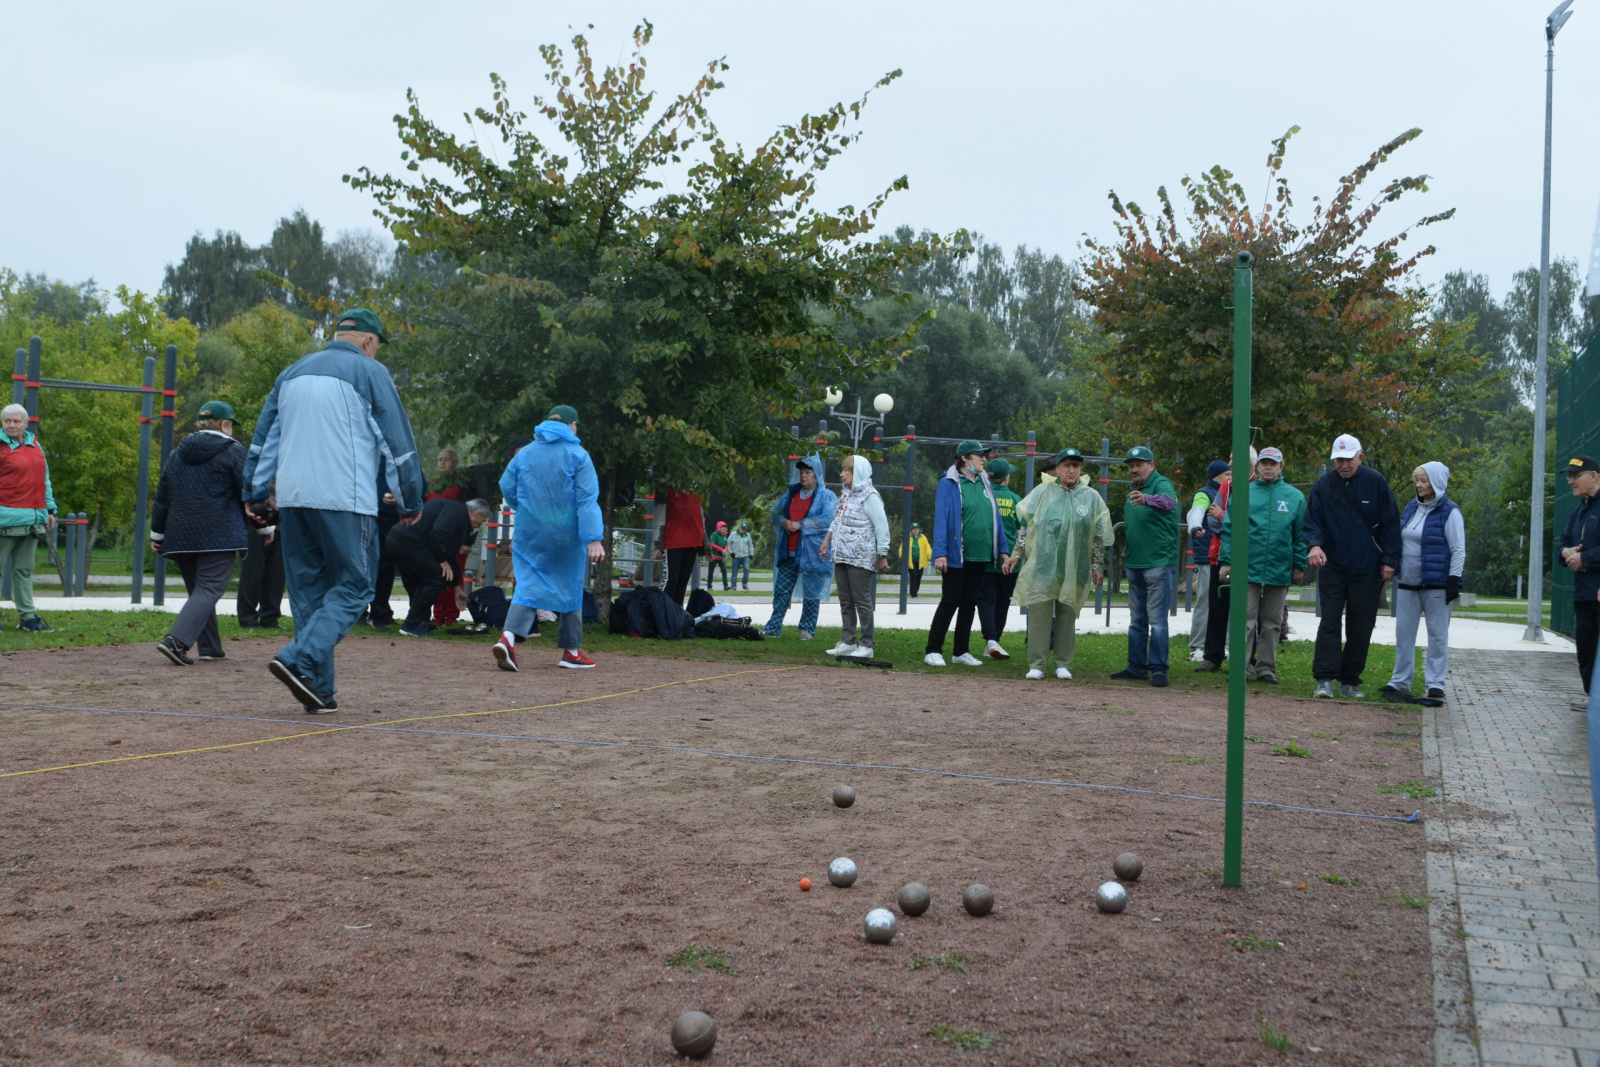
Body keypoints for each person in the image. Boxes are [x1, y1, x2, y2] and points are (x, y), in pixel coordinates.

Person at [243, 308, 425, 714]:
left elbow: (264, 437)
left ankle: (318, 689)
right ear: (366, 341)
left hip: (293, 498)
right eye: (376, 346)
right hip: (346, 497)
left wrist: (255, 492)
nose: (375, 353)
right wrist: (410, 500)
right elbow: (398, 444)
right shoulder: (370, 372)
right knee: (356, 587)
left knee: (310, 594)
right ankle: (296, 659)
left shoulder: (291, 372)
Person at [494, 405, 604, 670]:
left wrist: (525, 509)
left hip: (529, 529)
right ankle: (571, 651)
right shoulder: (578, 454)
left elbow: (506, 486)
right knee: (570, 584)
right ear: (572, 425)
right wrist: (593, 538)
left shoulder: (526, 452)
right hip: (565, 531)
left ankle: (508, 637)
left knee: (529, 583)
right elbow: (587, 500)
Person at [1303, 434, 1402, 700]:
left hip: (1367, 567)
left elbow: (1391, 523)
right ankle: (1324, 679)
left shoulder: (1377, 483)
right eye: (1338, 460)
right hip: (1333, 566)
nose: (1343, 465)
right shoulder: (1324, 485)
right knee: (1329, 621)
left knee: (1361, 625)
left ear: (1360, 456)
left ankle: (1350, 681)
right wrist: (1314, 545)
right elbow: (1312, 521)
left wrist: (1390, 561)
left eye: (1348, 459)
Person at [150, 401, 250, 664]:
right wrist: (265, 524)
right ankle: (176, 641)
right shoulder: (233, 450)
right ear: (225, 424)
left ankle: (210, 648)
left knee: (200, 591)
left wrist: (157, 534)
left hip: (180, 534)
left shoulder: (176, 454)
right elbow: (249, 491)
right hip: (219, 533)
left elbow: (162, 498)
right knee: (209, 589)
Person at [1012, 448, 1114, 679]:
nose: (1071, 470)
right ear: (1057, 468)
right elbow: (1025, 525)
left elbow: (1098, 534)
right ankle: (1037, 663)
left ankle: (1063, 663)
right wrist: (1017, 552)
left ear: (1081, 470)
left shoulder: (1091, 497)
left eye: (1076, 466)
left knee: (1068, 613)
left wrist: (1097, 565)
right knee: (1040, 612)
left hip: (1075, 566)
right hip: (1044, 565)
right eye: (1066, 465)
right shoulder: (1043, 492)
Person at [1217, 447, 1306, 685]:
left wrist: (1299, 565)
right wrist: (1227, 562)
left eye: (1273, 463)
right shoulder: (1243, 493)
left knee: (1272, 623)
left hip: (1280, 567)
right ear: (1257, 466)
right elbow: (1229, 530)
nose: (1268, 467)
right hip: (1247, 567)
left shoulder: (1295, 497)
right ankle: (1240, 667)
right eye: (1264, 463)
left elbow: (1299, 536)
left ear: (1281, 467)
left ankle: (1266, 668)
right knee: (1243, 621)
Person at [924, 440, 1011, 667]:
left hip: (981, 555)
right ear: (965, 458)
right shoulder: (949, 482)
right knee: (950, 600)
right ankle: (933, 649)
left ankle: (960, 651)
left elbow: (995, 518)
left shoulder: (985, 482)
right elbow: (942, 519)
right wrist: (940, 553)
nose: (984, 459)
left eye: (984, 456)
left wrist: (1002, 549)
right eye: (979, 455)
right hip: (956, 555)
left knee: (969, 602)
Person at [1384, 462, 1464, 702]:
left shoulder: (1450, 512)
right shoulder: (1410, 508)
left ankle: (1436, 683)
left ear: (1437, 482)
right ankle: (1399, 681)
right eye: (1417, 480)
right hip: (1407, 583)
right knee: (1404, 635)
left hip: (1437, 585)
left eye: (1424, 481)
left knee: (1438, 636)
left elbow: (1458, 549)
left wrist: (1453, 580)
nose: (1419, 485)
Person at [1111, 446, 1180, 687]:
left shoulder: (1161, 485)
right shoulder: (1133, 492)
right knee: (1136, 619)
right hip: (1135, 562)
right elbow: (1137, 525)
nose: (1134, 469)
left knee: (1157, 621)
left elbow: (1169, 503)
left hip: (1158, 563)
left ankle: (1159, 668)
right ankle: (1136, 667)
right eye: (1131, 465)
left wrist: (1147, 499)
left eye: (1139, 464)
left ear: (1152, 465)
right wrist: (1129, 545)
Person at [389, 497, 489, 636]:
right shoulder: (458, 512)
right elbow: (439, 533)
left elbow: (450, 554)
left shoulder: (455, 510)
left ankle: (416, 622)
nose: (480, 525)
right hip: (409, 542)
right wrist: (441, 560)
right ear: (477, 514)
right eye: (482, 521)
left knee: (422, 581)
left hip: (396, 538)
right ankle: (411, 624)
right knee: (438, 579)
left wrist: (456, 588)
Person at [822, 455, 890, 659]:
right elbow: (837, 521)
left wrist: (882, 553)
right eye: (842, 470)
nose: (842, 474)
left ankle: (867, 645)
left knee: (862, 600)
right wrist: (827, 540)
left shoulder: (870, 496)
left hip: (860, 557)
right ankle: (848, 641)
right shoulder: (846, 495)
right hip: (841, 555)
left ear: (857, 472)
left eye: (846, 470)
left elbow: (881, 525)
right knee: (845, 600)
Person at [763, 454, 836, 639]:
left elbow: (829, 519)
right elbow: (775, 513)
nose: (804, 476)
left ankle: (807, 630)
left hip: (812, 555)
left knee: (811, 595)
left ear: (816, 474)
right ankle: (773, 628)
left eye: (808, 472)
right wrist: (783, 521)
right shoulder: (790, 494)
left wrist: (801, 524)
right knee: (781, 591)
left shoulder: (826, 496)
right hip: (789, 552)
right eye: (802, 472)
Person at [0, 403, 56, 633]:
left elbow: (45, 481)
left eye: (16, 421)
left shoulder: (36, 446)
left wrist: (50, 510)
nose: (12, 425)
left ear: (26, 423)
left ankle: (28, 618)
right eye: (7, 421)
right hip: (4, 519)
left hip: (33, 520)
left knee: (24, 570)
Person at [1559, 455, 1600, 710]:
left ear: (1594, 476)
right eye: (1569, 476)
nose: (1570, 481)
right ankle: (1593, 698)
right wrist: (1567, 553)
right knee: (1586, 649)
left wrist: (1586, 559)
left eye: (1576, 476)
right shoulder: (1579, 511)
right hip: (1583, 594)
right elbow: (1562, 543)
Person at [976, 457, 1024, 659]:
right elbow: (1024, 530)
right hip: (1010, 560)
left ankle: (991, 640)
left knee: (986, 600)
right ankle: (995, 641)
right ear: (1006, 478)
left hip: (985, 559)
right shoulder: (1016, 500)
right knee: (1003, 600)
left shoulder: (982, 495)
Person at [1185, 460, 1230, 660]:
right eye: (1227, 474)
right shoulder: (1205, 494)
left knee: (1227, 602)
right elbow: (1197, 510)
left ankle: (1225, 645)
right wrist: (1195, 526)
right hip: (1208, 558)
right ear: (1215, 476)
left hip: (1227, 556)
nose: (1231, 477)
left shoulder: (1230, 491)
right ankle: (1197, 646)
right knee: (1205, 601)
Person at [236, 492, 284, 629]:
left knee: (277, 571)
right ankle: (247, 618)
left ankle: (270, 618)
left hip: (281, 517)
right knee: (253, 569)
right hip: (258, 517)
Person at [364, 482, 401, 630]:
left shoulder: (405, 460)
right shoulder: (374, 461)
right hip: (375, 515)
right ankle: (374, 613)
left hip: (397, 516)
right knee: (377, 565)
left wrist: (401, 499)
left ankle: (382, 612)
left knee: (387, 567)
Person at [662, 485, 704, 607]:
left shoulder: (697, 491)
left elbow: (700, 518)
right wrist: (657, 543)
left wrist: (705, 545)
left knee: (683, 582)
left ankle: (677, 614)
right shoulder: (669, 488)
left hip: (692, 542)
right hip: (673, 541)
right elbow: (659, 516)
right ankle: (661, 612)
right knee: (671, 580)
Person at [726, 522, 754, 590]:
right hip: (736, 556)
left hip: (745, 556)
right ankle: (733, 586)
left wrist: (751, 554)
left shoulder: (748, 535)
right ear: (739, 528)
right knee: (734, 572)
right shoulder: (733, 535)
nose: (743, 530)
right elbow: (728, 544)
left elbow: (750, 545)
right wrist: (731, 552)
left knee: (747, 569)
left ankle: (744, 584)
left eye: (745, 529)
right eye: (742, 528)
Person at [906, 522, 931, 597]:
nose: (915, 531)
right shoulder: (908, 537)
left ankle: (914, 591)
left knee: (918, 577)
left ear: (919, 530)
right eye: (913, 529)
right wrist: (902, 556)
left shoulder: (923, 537)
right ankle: (913, 594)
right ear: (911, 530)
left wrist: (930, 557)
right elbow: (902, 547)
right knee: (913, 576)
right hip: (911, 561)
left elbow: (928, 548)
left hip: (921, 561)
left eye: (916, 529)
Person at [706, 520, 731, 589]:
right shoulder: (714, 534)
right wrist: (721, 549)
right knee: (711, 572)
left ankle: (725, 585)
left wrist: (725, 550)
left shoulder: (725, 535)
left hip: (721, 557)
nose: (724, 529)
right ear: (718, 527)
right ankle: (709, 586)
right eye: (722, 527)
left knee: (724, 571)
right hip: (713, 556)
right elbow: (712, 544)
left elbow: (726, 544)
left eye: (725, 527)